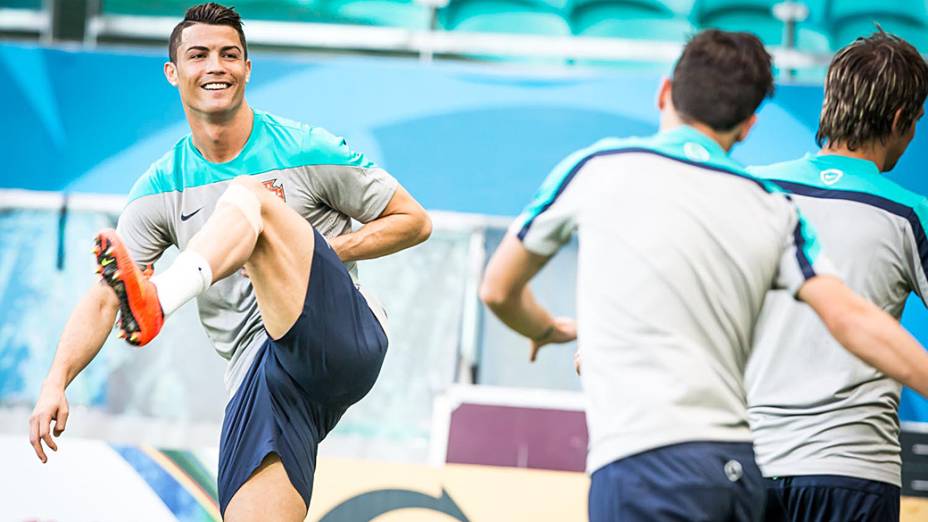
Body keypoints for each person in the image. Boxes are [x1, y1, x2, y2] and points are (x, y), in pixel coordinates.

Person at [480, 29, 928, 522]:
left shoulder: (610, 170)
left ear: (664, 91)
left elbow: (499, 289)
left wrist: (557, 332)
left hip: (678, 460)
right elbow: (849, 317)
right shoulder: (770, 205)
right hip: (777, 469)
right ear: (749, 124)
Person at [27, 3, 431, 520]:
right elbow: (108, 295)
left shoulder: (306, 148)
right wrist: (55, 381)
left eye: (229, 54)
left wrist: (325, 247)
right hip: (264, 380)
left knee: (252, 198)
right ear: (173, 73)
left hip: (340, 336)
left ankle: (164, 297)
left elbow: (414, 221)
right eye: (199, 55)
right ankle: (159, 298)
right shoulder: (159, 187)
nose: (215, 66)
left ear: (247, 67)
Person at [745, 31, 928, 522]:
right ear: (899, 122)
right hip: (855, 476)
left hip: (747, 466)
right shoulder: (911, 216)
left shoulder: (753, 191)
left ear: (831, 102)